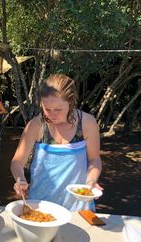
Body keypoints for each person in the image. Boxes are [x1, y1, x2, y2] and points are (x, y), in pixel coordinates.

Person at [10, 74, 103, 211]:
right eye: (47, 109)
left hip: (78, 207)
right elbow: (17, 162)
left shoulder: (87, 123)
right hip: (40, 206)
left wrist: (91, 181)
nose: (52, 115)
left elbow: (95, 159)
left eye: (58, 110)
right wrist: (21, 179)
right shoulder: (36, 125)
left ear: (71, 103)